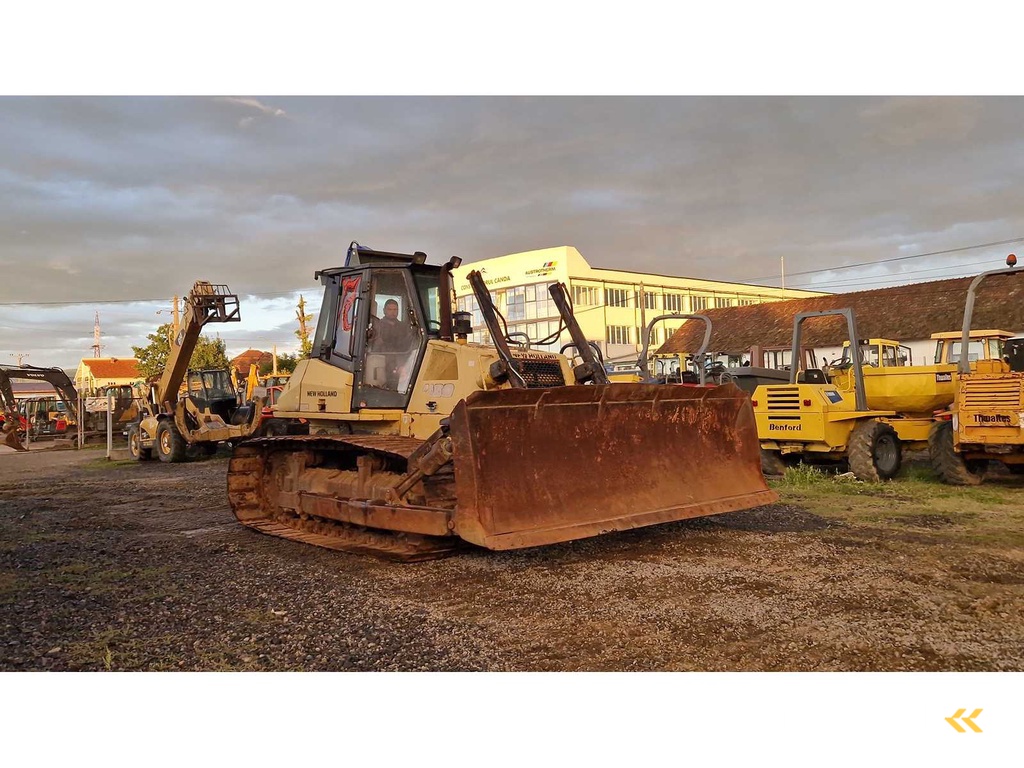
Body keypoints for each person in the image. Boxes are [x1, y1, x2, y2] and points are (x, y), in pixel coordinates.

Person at [369, 299, 417, 390]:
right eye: (390, 309)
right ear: (384, 310)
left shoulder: (404, 327)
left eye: (395, 310)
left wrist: (402, 364)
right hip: (382, 361)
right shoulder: (378, 326)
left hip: (400, 360)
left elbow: (407, 345)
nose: (392, 312)